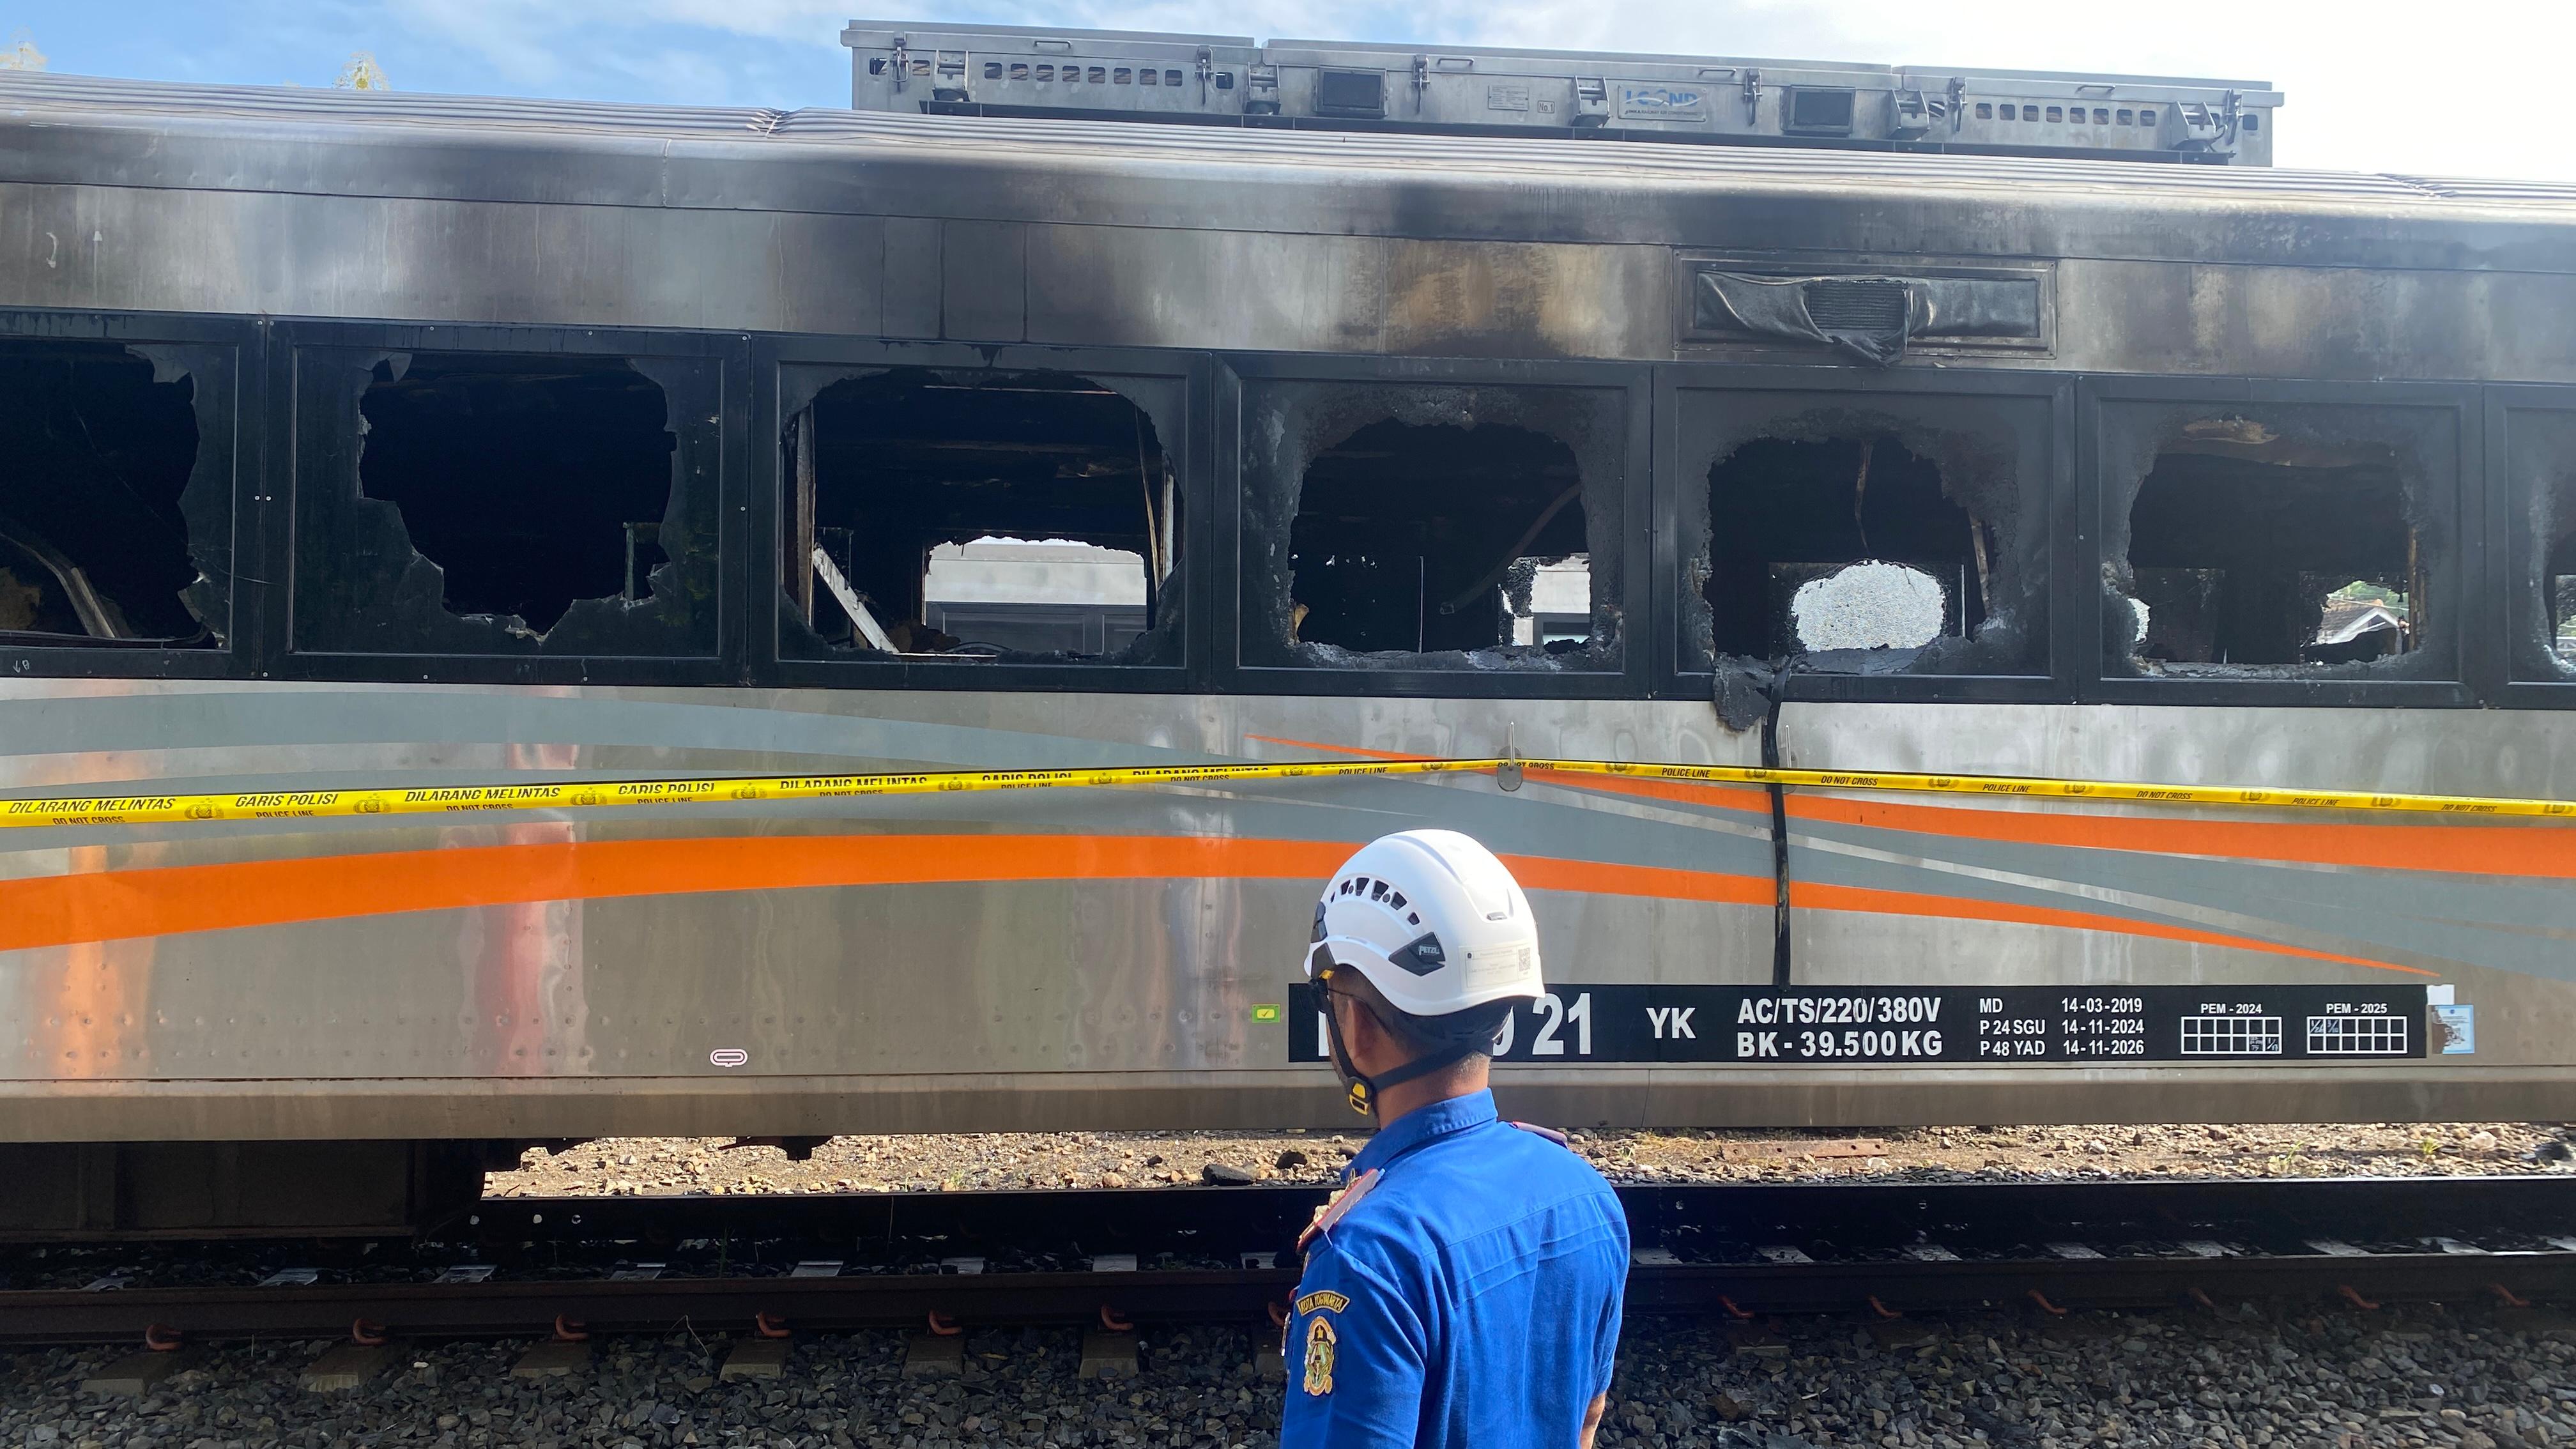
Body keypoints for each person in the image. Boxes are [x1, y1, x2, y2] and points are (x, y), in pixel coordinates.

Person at [1282, 829, 1629, 1449]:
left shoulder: (1367, 1257)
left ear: (1356, 1025)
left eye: (1328, 997)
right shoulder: (1587, 1194)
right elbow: (1586, 1421)